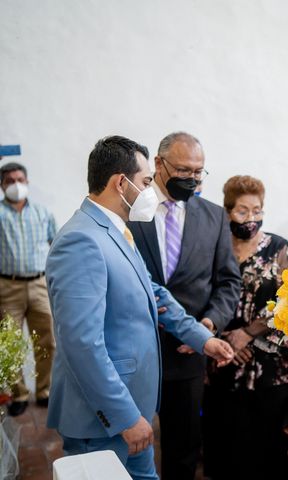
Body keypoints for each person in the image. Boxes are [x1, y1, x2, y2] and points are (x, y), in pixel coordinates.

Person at [45, 136, 234, 480]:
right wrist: (125, 416)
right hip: (104, 419)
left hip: (134, 409)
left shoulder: (116, 230)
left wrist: (200, 338)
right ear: (121, 183)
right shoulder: (81, 240)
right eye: (146, 181)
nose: (150, 190)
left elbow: (155, 292)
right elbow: (82, 343)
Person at [127, 132, 242, 480]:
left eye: (199, 171)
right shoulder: (132, 209)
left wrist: (207, 324)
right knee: (132, 444)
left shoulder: (214, 217)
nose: (192, 178)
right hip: (137, 349)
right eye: (183, 170)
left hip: (188, 352)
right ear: (159, 164)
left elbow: (228, 281)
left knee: (183, 446)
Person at [203, 175, 288, 480]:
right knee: (226, 446)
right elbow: (198, 298)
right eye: (242, 211)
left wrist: (248, 334)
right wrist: (225, 340)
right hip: (222, 358)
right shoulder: (212, 247)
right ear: (227, 211)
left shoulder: (279, 248)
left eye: (257, 210)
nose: (251, 218)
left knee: (266, 451)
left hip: (270, 364)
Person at [0, 162, 57, 416]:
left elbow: (55, 246)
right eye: (9, 180)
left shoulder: (43, 213)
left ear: (27, 182)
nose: (16, 185)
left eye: (19, 179)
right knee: (10, 344)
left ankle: (45, 391)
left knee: (48, 340)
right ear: (2, 185)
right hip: (7, 287)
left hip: (39, 284)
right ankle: (19, 394)